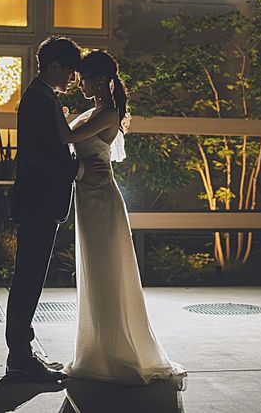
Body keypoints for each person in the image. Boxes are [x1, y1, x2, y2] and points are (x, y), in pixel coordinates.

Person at [53, 50, 186, 386]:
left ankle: (114, 354)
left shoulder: (109, 114)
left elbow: (67, 137)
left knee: (106, 273)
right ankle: (96, 351)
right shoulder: (93, 112)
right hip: (87, 197)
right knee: (94, 273)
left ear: (99, 80)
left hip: (101, 200)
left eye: (83, 77)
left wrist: (55, 109)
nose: (79, 83)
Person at [5, 37, 106, 382]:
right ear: (54, 66)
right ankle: (20, 356)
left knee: (30, 278)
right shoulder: (38, 99)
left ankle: (21, 354)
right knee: (28, 279)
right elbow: (39, 155)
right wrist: (79, 170)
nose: (74, 79)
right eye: (70, 71)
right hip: (37, 202)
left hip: (39, 202)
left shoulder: (43, 96)